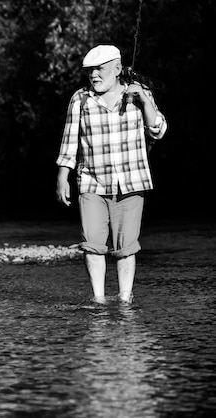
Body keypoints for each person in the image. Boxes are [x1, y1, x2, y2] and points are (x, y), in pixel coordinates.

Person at [55, 44, 167, 304]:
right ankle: (99, 299)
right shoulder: (80, 99)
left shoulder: (140, 94)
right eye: (90, 71)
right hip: (91, 183)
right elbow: (69, 141)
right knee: (92, 244)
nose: (94, 75)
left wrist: (145, 100)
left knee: (126, 247)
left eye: (100, 69)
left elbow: (158, 130)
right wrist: (63, 177)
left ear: (117, 69)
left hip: (131, 182)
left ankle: (125, 298)